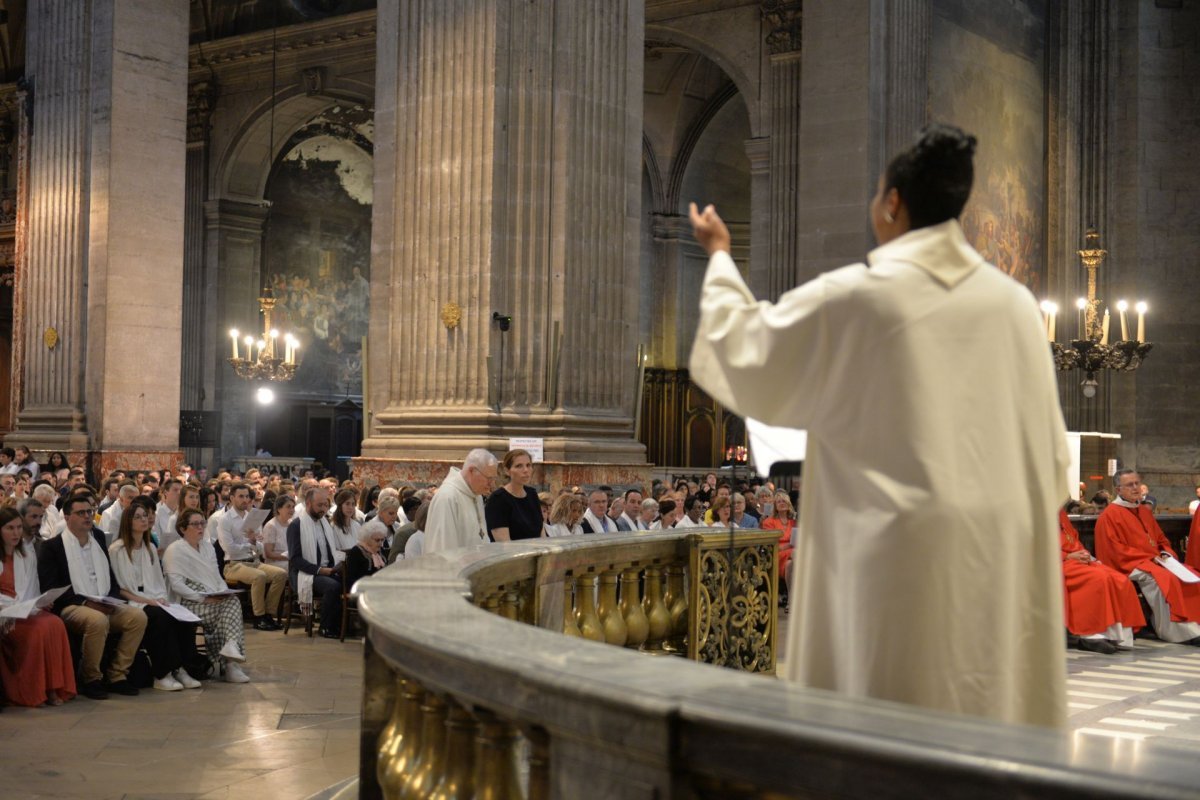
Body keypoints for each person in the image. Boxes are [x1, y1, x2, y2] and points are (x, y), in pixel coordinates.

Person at [687, 124, 1070, 728]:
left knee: (885, 727)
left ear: (892, 203)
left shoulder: (857, 297)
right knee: (982, 717)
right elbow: (1050, 464)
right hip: (992, 559)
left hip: (890, 559)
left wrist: (717, 256)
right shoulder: (1016, 305)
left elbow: (743, 347)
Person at [38, 494, 149, 699]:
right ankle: (91, 678)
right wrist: (87, 602)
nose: (88, 516)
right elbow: (51, 587)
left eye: (90, 511)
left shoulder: (98, 538)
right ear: (67, 516)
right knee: (96, 621)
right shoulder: (52, 547)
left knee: (137, 617)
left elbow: (110, 576)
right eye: (81, 513)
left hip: (102, 600)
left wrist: (112, 599)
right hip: (72, 605)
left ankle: (117, 675)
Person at [1097, 469, 1200, 644]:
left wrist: (1166, 553)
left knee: (1192, 575)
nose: (1136, 488)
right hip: (1129, 564)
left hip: (1155, 560)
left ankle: (1195, 623)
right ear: (1118, 489)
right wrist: (1149, 558)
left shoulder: (1143, 511)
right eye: (1130, 485)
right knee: (1162, 579)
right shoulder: (1109, 515)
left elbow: (1160, 539)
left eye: (1137, 483)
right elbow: (1114, 550)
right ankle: (1177, 632)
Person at [109, 500, 202, 691]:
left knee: (182, 617)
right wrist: (147, 601)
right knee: (160, 618)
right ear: (128, 521)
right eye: (138, 517)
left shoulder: (150, 548)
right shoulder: (117, 549)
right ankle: (163, 673)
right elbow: (120, 588)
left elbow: (158, 582)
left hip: (153, 597)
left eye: (146, 516)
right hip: (132, 601)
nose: (144, 520)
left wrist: (161, 599)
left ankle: (180, 668)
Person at [0, 507, 76, 706]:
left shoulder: (26, 553)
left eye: (18, 527)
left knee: (55, 623)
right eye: (10, 528)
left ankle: (52, 687)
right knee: (39, 630)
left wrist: (39, 602)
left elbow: (32, 585)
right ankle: (35, 690)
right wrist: (14, 607)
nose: (16, 533)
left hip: (24, 608)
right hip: (4, 614)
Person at [163, 510, 251, 683]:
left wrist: (223, 592)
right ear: (182, 528)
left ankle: (231, 654)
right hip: (189, 601)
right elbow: (176, 585)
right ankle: (231, 662)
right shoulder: (175, 550)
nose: (201, 527)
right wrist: (202, 598)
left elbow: (216, 575)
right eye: (195, 524)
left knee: (231, 601)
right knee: (230, 608)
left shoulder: (207, 546)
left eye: (202, 523)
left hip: (212, 595)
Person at [1058, 506, 1144, 654]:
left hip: (1074, 560)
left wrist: (1082, 554)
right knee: (1098, 579)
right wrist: (1067, 556)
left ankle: (1117, 636)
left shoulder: (1061, 513)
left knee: (1119, 579)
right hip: (1054, 563)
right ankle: (1091, 636)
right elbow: (1034, 547)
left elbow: (1073, 540)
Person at [218, 483, 286, 631]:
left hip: (253, 561)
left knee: (280, 574)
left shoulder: (252, 518)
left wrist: (254, 542)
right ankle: (258, 617)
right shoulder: (225, 519)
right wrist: (250, 543)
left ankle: (269, 614)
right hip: (233, 565)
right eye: (241, 496)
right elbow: (229, 549)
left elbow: (261, 548)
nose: (245, 500)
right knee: (259, 576)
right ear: (231, 498)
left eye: (247, 496)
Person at [287, 485, 344, 638]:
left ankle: (342, 625)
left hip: (326, 569)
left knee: (350, 581)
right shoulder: (296, 525)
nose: (323, 509)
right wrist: (320, 570)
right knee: (333, 587)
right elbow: (295, 559)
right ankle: (325, 627)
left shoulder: (325, 524)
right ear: (308, 504)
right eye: (320, 505)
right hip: (304, 573)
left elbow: (331, 552)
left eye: (326, 505)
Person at [424, 449, 497, 553]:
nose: (492, 484)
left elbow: (482, 537)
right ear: (471, 471)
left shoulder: (477, 496)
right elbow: (441, 551)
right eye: (489, 479)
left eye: (494, 479)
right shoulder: (447, 497)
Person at [485, 449, 543, 542]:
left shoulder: (532, 494)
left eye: (528, 465)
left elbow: (541, 532)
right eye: (519, 466)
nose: (526, 470)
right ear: (507, 471)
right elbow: (504, 544)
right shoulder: (498, 499)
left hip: (537, 553)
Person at [345, 519, 388, 590]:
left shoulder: (380, 551)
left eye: (382, 540)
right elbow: (351, 580)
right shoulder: (356, 552)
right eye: (377, 540)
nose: (380, 543)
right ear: (367, 538)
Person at [261, 495, 294, 570]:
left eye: (293, 507)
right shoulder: (271, 526)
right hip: (275, 563)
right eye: (288, 507)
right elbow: (269, 554)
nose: (292, 510)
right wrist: (289, 557)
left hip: (289, 560)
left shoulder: (291, 523)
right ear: (279, 509)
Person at [329, 488, 361, 560]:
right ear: (340, 506)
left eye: (353, 504)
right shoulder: (334, 527)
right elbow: (335, 552)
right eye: (347, 504)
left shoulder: (357, 525)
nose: (351, 507)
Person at [153, 478, 183, 550]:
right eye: (175, 490)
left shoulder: (183, 513)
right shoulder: (157, 514)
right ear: (166, 492)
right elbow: (157, 540)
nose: (179, 493)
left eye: (181, 491)